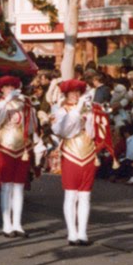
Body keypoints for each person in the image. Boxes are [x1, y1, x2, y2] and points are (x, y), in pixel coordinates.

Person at [0, 76, 35, 238]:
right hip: (4, 147)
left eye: (12, 87)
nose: (9, 89)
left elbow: (31, 126)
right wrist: (6, 102)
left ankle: (17, 224)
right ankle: (7, 224)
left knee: (19, 187)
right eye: (6, 87)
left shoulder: (24, 104)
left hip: (21, 149)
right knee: (6, 186)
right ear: (1, 90)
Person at [50, 79, 98, 246]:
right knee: (71, 194)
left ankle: (83, 232)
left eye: (78, 92)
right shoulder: (61, 111)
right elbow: (65, 130)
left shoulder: (87, 110)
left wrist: (93, 115)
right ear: (66, 94)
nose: (76, 95)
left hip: (89, 153)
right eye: (73, 92)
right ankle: (72, 232)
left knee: (85, 195)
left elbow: (93, 133)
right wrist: (77, 110)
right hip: (71, 153)